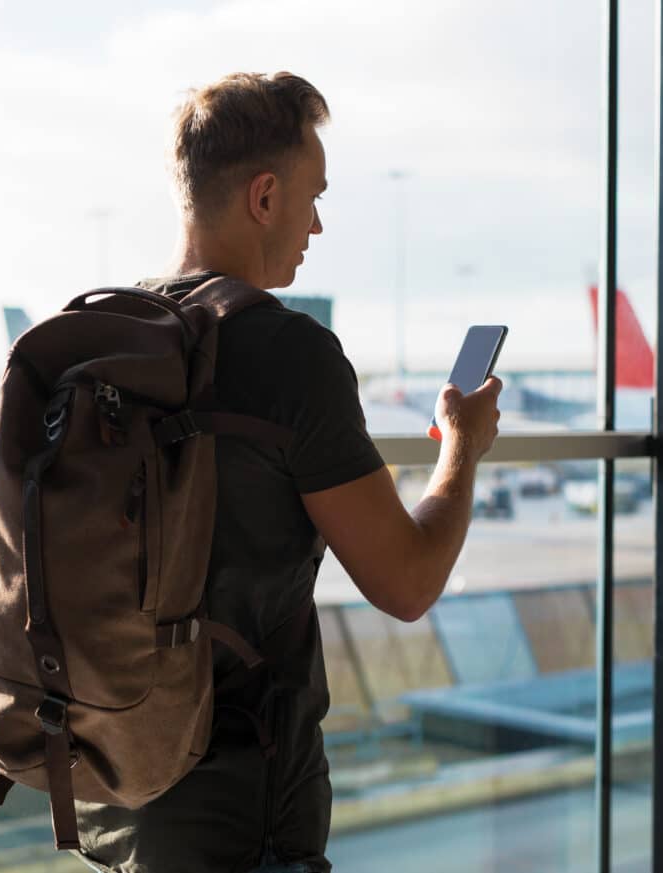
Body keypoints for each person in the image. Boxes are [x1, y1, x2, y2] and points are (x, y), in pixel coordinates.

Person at [73, 71, 502, 873]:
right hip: (242, 816)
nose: (318, 224)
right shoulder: (288, 354)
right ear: (264, 197)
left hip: (109, 795)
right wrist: (461, 449)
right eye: (313, 197)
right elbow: (407, 583)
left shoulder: (100, 337)